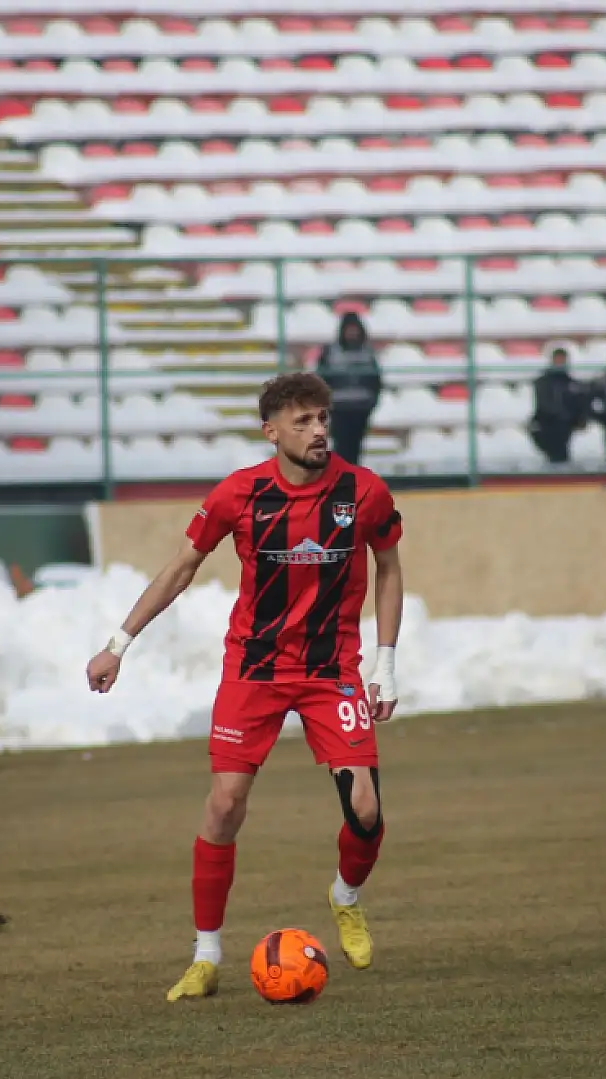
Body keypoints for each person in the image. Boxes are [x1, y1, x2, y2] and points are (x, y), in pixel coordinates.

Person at [84, 371, 404, 1002]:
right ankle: (206, 955)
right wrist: (118, 643)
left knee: (365, 810)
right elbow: (181, 569)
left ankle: (345, 896)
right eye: (304, 421)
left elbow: (389, 569)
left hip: (330, 669)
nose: (319, 431)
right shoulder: (239, 494)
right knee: (225, 804)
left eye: (323, 419)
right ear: (272, 431)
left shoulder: (363, 492)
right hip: (253, 669)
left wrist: (385, 663)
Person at [314, 311, 383, 465]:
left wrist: (372, 402)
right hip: (339, 408)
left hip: (361, 408)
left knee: (356, 446)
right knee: (342, 445)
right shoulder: (331, 352)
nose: (352, 333)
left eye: (354, 329)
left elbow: (375, 379)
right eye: (349, 329)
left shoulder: (367, 352)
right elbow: (321, 379)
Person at [528, 346, 589, 464]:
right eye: (558, 360)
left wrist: (579, 417)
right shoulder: (543, 382)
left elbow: (580, 404)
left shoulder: (572, 384)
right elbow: (544, 405)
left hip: (566, 427)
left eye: (563, 360)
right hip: (548, 426)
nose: (560, 363)